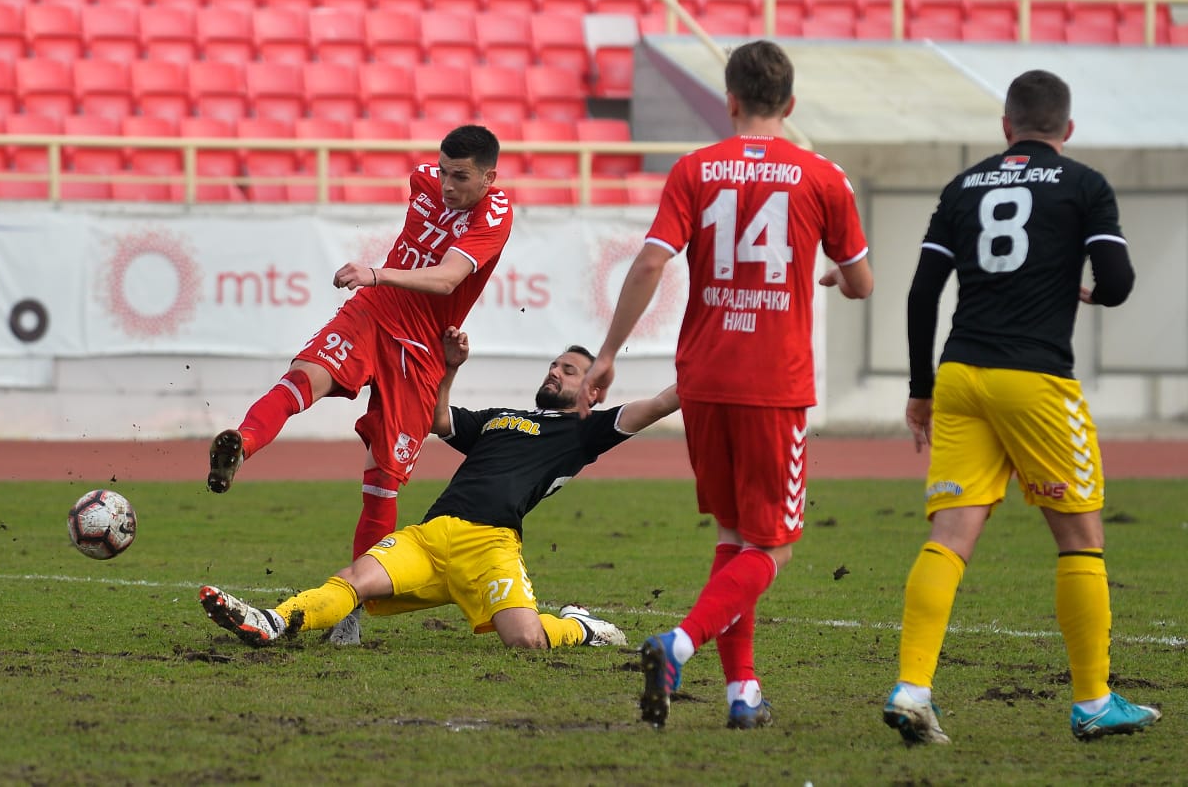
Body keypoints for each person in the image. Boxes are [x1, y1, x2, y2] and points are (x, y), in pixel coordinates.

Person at [576, 39, 874, 730]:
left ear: (730, 100)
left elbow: (651, 263)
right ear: (790, 105)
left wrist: (608, 351)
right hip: (773, 382)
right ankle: (677, 644)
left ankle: (743, 693)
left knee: (736, 533)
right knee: (775, 547)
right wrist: (834, 275)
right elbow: (861, 280)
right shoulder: (822, 176)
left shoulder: (694, 169)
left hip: (704, 377)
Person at [882, 69, 1160, 745]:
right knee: (1080, 540)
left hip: (960, 376)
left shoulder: (964, 185)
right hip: (1033, 379)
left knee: (948, 538)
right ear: (1066, 130)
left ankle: (912, 687)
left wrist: (920, 388)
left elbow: (923, 293)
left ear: (1006, 127)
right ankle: (1093, 701)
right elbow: (1118, 282)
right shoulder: (1084, 184)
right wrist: (1090, 289)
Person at [205, 124, 514, 646]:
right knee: (305, 376)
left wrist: (377, 272)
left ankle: (352, 608)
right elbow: (419, 182)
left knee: (383, 480)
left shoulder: (495, 216)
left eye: (460, 176)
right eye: (442, 171)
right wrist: (377, 284)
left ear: (489, 177)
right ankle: (242, 445)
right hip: (373, 314)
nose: (445, 184)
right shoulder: (424, 182)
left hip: (419, 349)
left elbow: (445, 279)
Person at [200, 328, 680, 652]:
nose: (555, 372)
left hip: (491, 545)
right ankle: (272, 622)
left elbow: (659, 403)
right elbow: (438, 419)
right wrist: (450, 368)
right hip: (430, 536)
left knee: (526, 642)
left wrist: (708, 366)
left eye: (569, 371)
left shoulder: (585, 430)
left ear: (594, 392)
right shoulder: (500, 419)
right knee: (355, 581)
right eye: (554, 366)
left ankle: (582, 626)